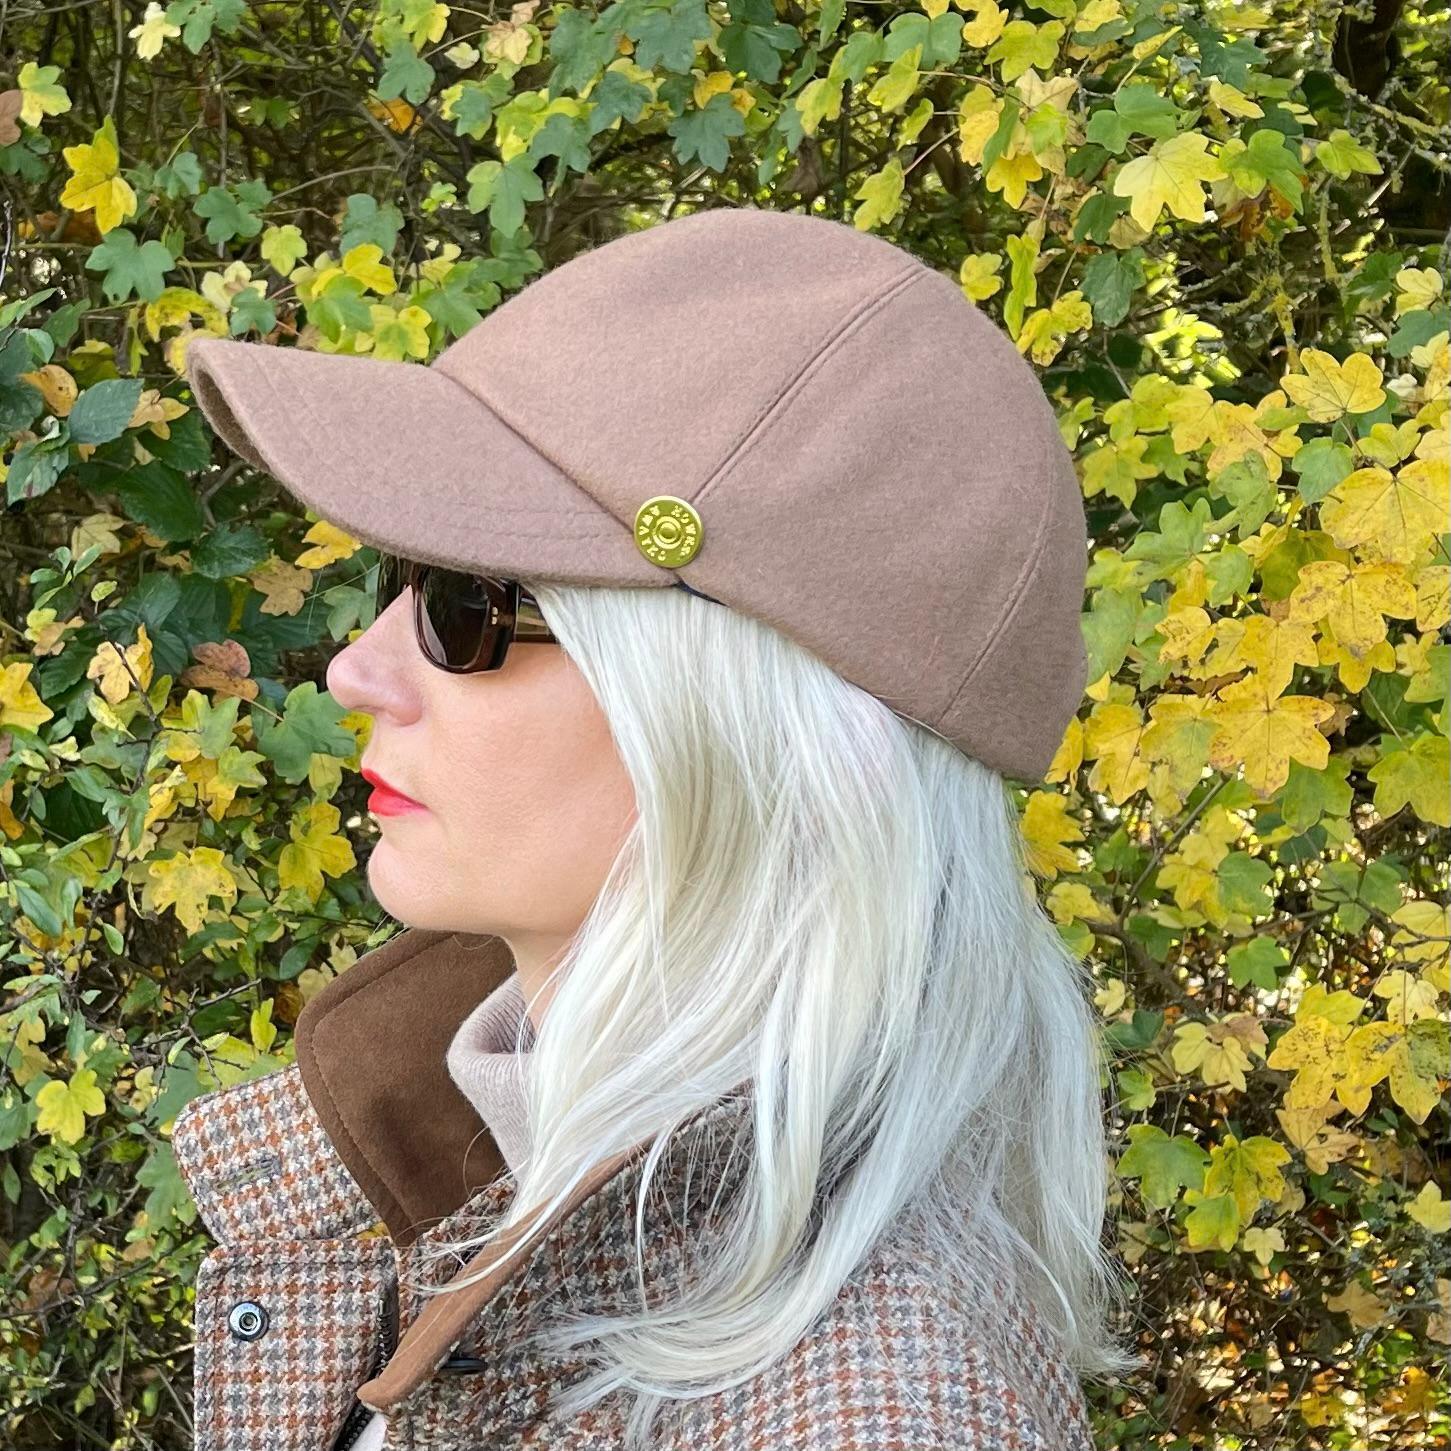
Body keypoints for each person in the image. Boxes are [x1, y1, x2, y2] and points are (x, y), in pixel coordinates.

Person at [175, 204, 1138, 1451]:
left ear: (748, 722)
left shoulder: (872, 1413)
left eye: (467, 606)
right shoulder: (481, 1145)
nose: (357, 670)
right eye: (395, 580)